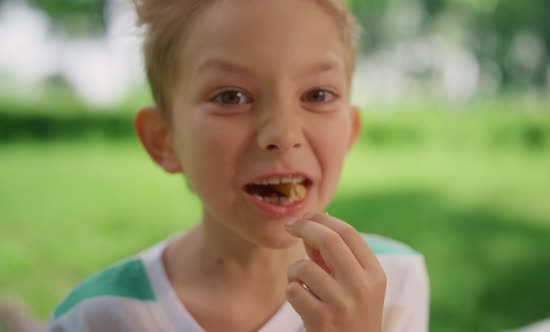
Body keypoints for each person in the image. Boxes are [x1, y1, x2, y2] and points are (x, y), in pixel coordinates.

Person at [45, 0, 429, 331]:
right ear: (165, 140)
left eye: (318, 94)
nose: (282, 133)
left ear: (350, 131)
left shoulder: (395, 280)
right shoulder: (95, 318)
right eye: (232, 96)